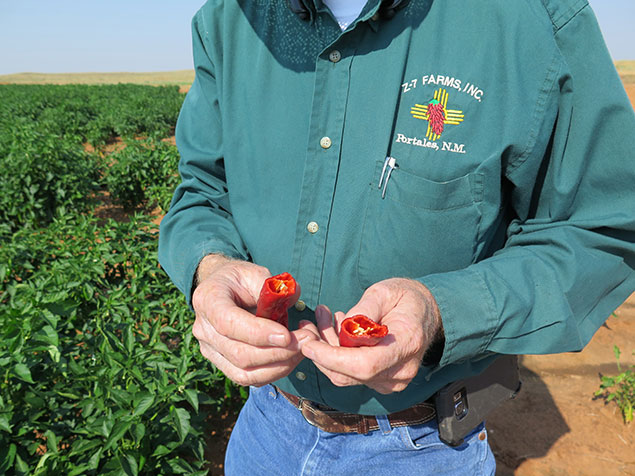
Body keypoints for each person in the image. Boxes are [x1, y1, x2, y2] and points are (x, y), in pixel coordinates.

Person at [158, 0, 635, 473]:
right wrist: (211, 267)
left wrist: (442, 310)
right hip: (266, 425)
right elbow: (201, 191)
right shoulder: (227, 20)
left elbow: (601, 228)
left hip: (423, 446)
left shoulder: (530, 18)